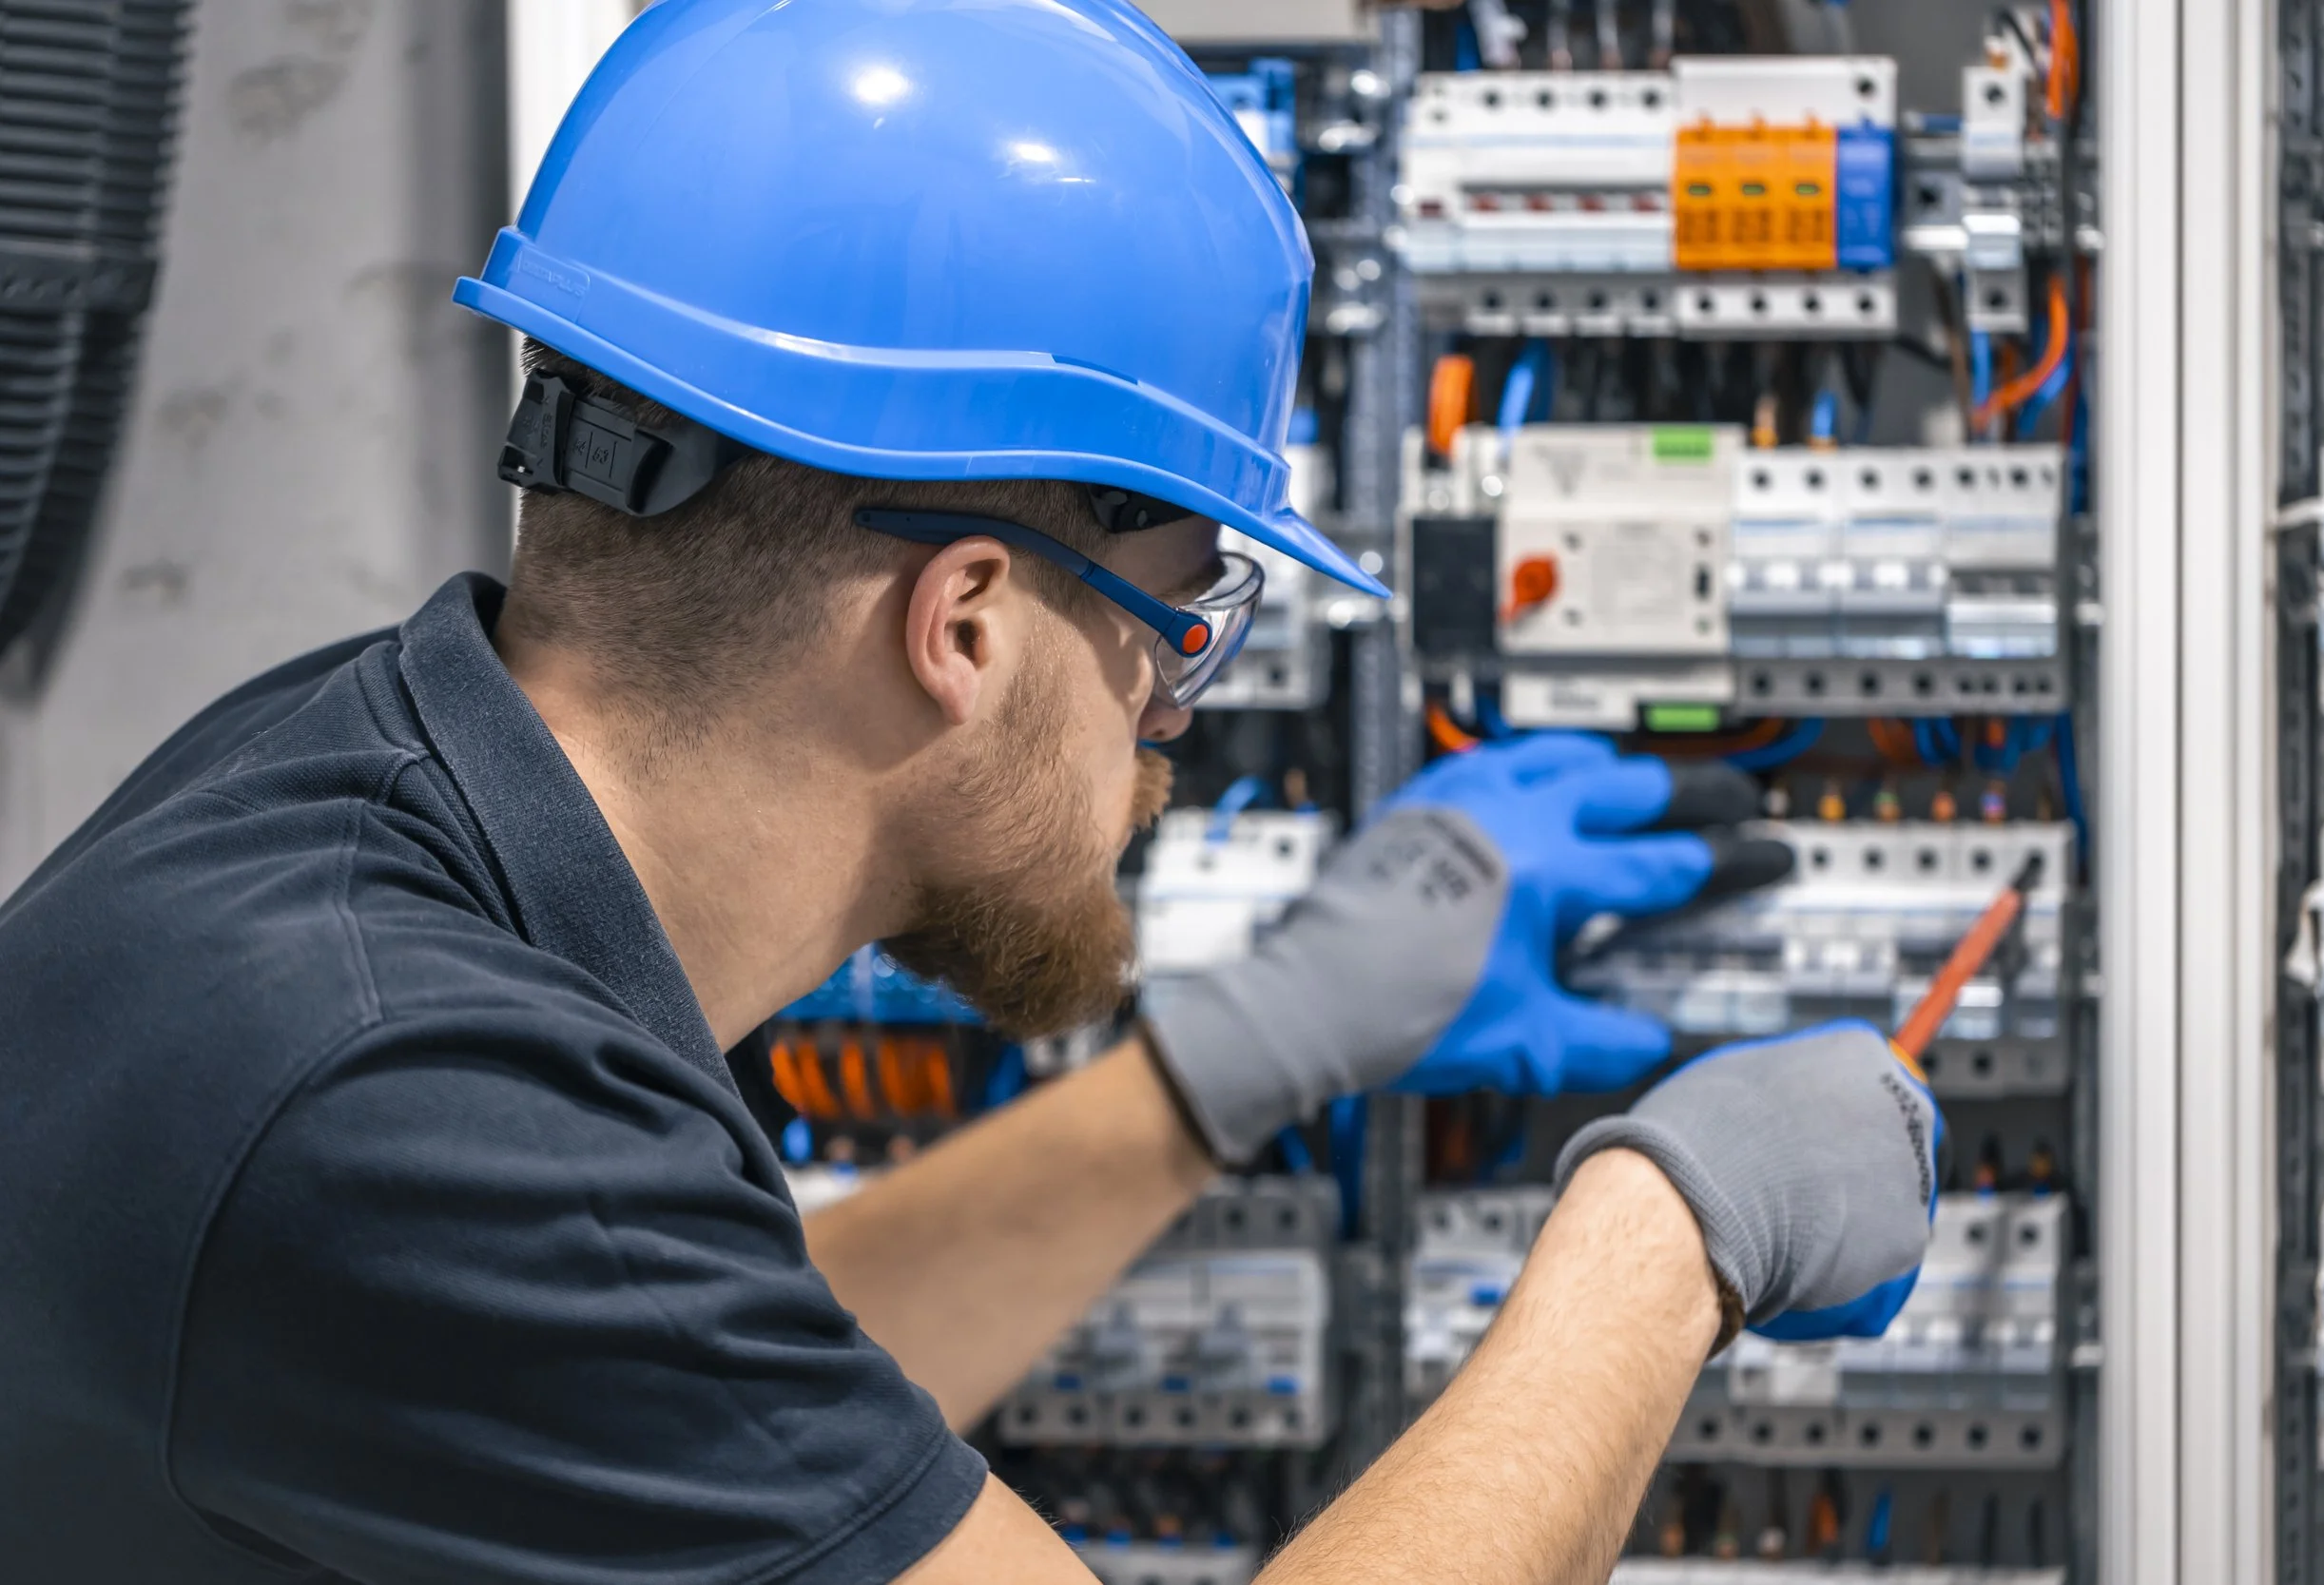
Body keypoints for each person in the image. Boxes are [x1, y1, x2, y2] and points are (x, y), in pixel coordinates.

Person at [0, 3, 1938, 1581]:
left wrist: (1244, 1055)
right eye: (1184, 627)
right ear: (968, 621)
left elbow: (715, 1399)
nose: (1175, 720)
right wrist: (1666, 1233)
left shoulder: (354, 808)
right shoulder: (400, 1099)